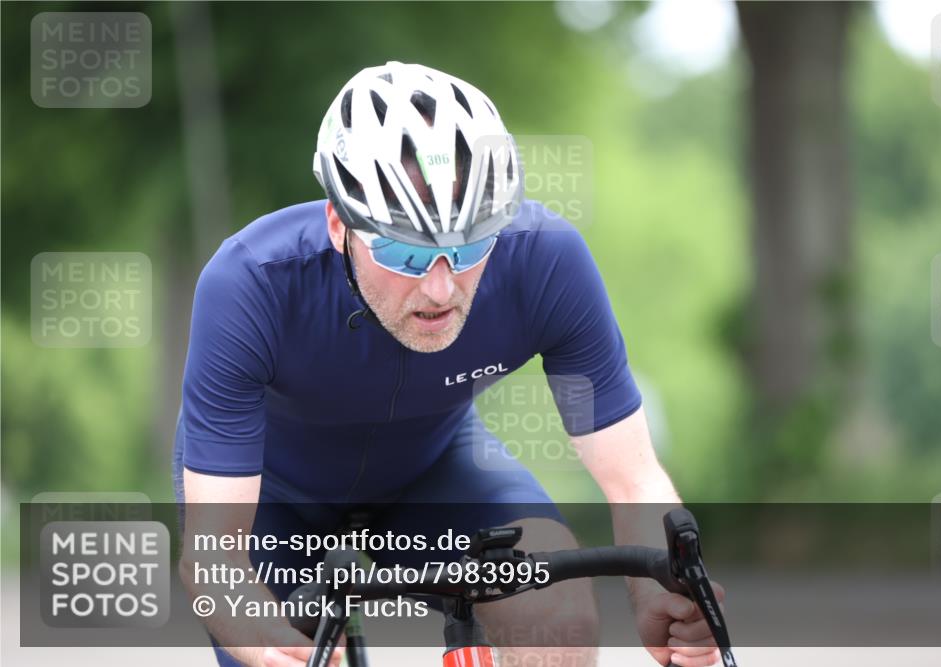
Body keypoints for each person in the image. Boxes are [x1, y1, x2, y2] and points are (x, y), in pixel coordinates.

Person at [174, 61, 723, 667]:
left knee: (557, 618)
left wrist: (655, 587)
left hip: (435, 473)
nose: (441, 289)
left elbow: (632, 478)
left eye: (468, 247)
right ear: (340, 223)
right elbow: (213, 554)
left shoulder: (546, 264)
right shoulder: (250, 283)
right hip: (270, 500)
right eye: (405, 251)